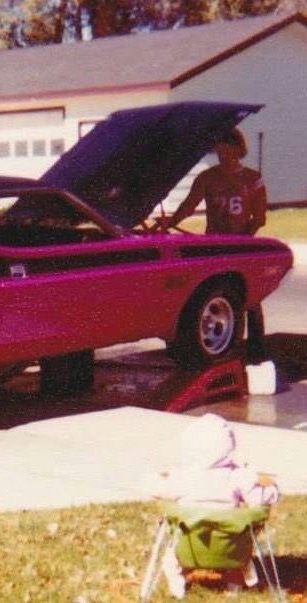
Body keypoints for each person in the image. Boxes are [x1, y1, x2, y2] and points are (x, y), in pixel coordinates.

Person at [160, 127, 268, 359]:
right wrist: (170, 222)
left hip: (241, 246)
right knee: (215, 292)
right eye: (218, 147)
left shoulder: (253, 178)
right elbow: (189, 206)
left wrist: (244, 239)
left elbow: (259, 217)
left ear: (237, 148)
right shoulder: (207, 177)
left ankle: (257, 350)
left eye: (225, 147)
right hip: (213, 246)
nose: (221, 152)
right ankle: (223, 344)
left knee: (250, 297)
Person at [145, 413, 279, 598]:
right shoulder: (238, 476)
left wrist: (154, 478)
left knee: (171, 556)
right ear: (229, 446)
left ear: (189, 446)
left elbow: (157, 489)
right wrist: (272, 490)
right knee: (238, 537)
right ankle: (234, 583)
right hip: (231, 550)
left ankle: (177, 586)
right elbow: (259, 499)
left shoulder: (183, 477)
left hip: (189, 549)